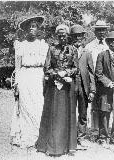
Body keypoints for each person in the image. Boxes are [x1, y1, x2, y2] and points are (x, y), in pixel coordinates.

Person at [35, 24, 79, 156]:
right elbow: (46, 68)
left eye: (64, 35)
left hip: (67, 87)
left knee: (67, 115)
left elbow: (76, 68)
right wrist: (56, 74)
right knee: (53, 115)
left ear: (68, 36)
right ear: (57, 36)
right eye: (59, 35)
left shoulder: (73, 49)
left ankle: (68, 147)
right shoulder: (52, 48)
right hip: (54, 87)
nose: (61, 37)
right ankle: (52, 147)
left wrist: (66, 72)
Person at [10, 16, 49, 148]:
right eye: (30, 27)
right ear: (26, 30)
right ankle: (26, 136)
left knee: (38, 105)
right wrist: (16, 83)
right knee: (25, 105)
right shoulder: (21, 45)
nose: (32, 29)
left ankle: (38, 136)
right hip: (25, 76)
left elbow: (46, 65)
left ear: (38, 29)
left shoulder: (43, 45)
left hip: (38, 76)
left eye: (34, 26)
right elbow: (18, 66)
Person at [69, 25, 96, 145]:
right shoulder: (67, 50)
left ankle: (82, 137)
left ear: (83, 37)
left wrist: (92, 90)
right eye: (75, 36)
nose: (77, 38)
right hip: (70, 85)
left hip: (84, 86)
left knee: (83, 112)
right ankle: (69, 137)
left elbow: (91, 72)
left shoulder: (87, 52)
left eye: (80, 36)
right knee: (70, 111)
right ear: (71, 37)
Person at [85, 20, 110, 129]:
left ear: (106, 31)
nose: (101, 32)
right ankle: (94, 129)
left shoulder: (109, 46)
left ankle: (104, 129)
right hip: (93, 80)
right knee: (93, 104)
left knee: (105, 105)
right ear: (95, 32)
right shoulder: (89, 47)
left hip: (105, 80)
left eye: (103, 30)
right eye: (99, 30)